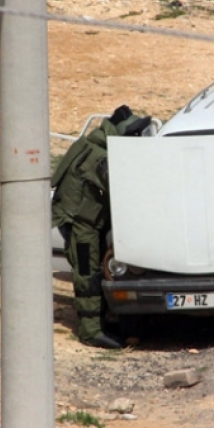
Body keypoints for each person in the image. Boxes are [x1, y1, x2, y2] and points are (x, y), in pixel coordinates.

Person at [51, 105, 152, 349]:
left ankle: (103, 321)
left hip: (84, 219)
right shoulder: (100, 158)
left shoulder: (92, 144)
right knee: (87, 275)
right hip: (80, 224)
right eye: (132, 134)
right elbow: (123, 189)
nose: (136, 139)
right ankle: (91, 332)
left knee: (93, 271)